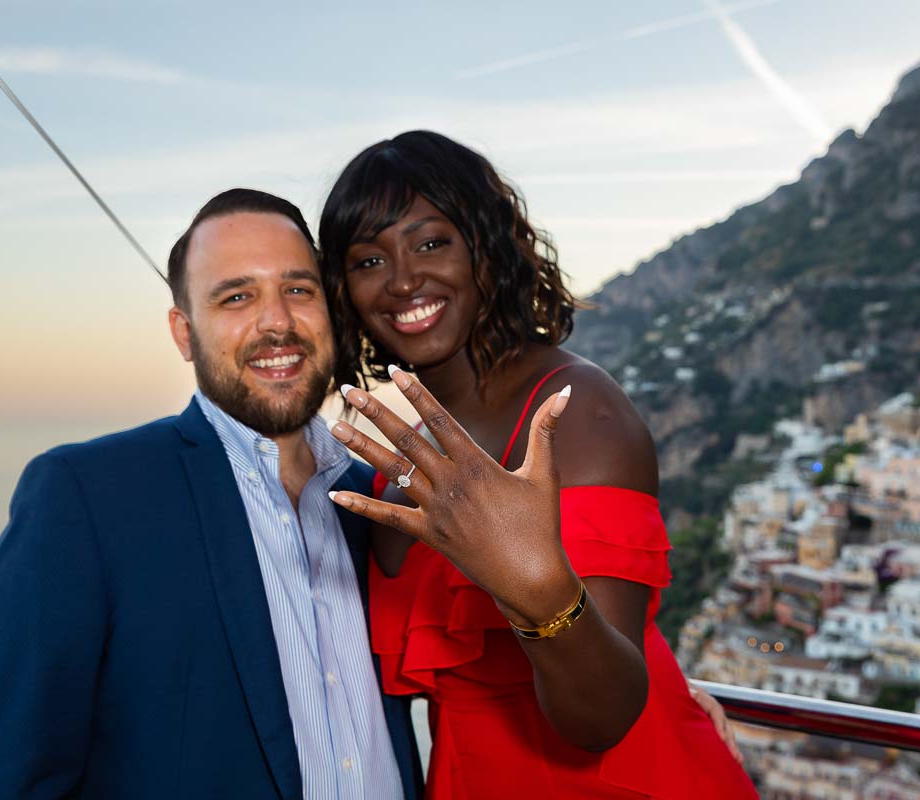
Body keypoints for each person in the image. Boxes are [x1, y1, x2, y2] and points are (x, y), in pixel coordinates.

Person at [318, 131, 758, 799]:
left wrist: (537, 589)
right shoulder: (401, 454)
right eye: (369, 259)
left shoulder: (577, 417)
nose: (404, 278)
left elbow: (603, 715)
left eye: (431, 242)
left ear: (485, 246)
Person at [0, 189, 423, 800]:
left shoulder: (380, 503)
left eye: (298, 289)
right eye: (236, 296)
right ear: (184, 332)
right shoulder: (84, 499)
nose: (276, 321)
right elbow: (3, 779)